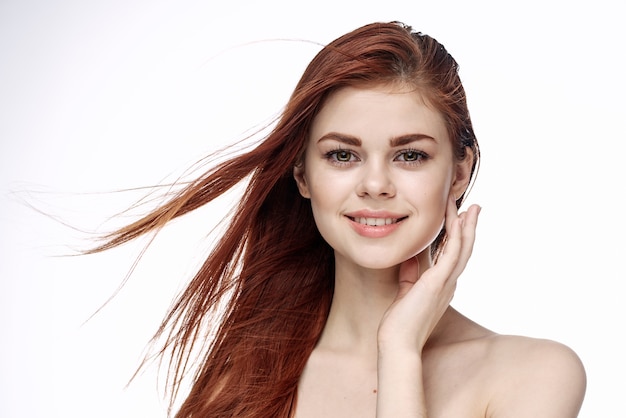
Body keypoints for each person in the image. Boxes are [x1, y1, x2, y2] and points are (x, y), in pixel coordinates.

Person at [91, 21, 586, 417]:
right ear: (302, 175)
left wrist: (398, 350)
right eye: (342, 156)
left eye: (410, 155)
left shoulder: (535, 375)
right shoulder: (240, 378)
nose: (375, 184)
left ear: (459, 173)